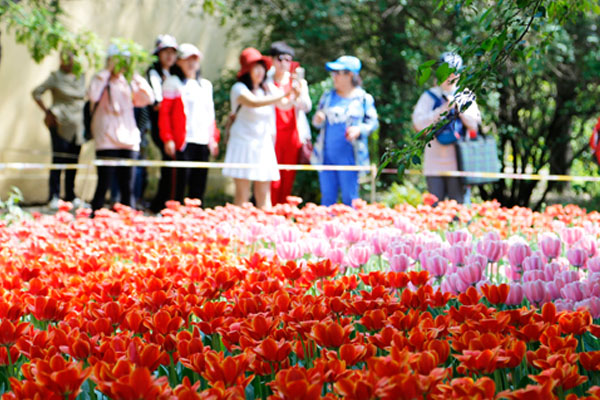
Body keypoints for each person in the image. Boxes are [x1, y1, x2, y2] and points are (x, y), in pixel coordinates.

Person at [222, 47, 298, 209]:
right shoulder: (239, 89)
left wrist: (295, 95)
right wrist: (285, 94)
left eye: (261, 67)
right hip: (242, 143)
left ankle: (264, 228)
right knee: (242, 195)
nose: (259, 71)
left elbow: (284, 105)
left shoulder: (267, 88)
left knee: (264, 194)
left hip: (262, 144)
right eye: (254, 67)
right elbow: (254, 102)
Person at [88, 44, 154, 214]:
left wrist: (135, 75)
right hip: (106, 140)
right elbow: (93, 95)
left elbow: (148, 98)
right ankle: (95, 218)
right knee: (104, 183)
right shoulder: (101, 79)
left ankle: (128, 221)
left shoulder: (129, 82)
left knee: (128, 186)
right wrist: (107, 72)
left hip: (129, 140)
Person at [412, 52, 481, 205]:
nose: (450, 76)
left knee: (459, 207)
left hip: (460, 162)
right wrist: (442, 110)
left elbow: (474, 123)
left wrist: (459, 108)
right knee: (435, 208)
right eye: (446, 71)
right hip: (434, 164)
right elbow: (418, 124)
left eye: (454, 72)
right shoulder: (429, 96)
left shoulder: (465, 95)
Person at [312, 55, 378, 207]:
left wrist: (359, 129)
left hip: (350, 158)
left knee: (350, 198)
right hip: (326, 157)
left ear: (350, 75)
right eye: (333, 73)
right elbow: (317, 123)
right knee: (327, 198)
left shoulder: (363, 98)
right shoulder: (328, 97)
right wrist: (318, 119)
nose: (333, 77)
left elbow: (373, 122)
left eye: (337, 72)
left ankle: (351, 230)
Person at [159, 43, 218, 205]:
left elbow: (210, 114)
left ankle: (195, 217)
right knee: (178, 182)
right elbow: (164, 114)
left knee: (199, 183)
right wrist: (168, 138)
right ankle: (174, 214)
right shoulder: (173, 82)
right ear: (179, 61)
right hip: (182, 142)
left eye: (195, 59)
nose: (191, 63)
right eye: (187, 59)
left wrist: (213, 138)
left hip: (202, 140)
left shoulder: (205, 85)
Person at [32, 52, 86, 209]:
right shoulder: (55, 76)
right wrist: (48, 112)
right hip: (60, 124)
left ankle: (70, 195)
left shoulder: (80, 77)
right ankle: (53, 196)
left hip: (78, 126)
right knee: (59, 161)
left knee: (73, 162)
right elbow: (37, 93)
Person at [265, 41, 312, 205]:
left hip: (292, 134)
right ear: (272, 59)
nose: (284, 63)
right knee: (271, 176)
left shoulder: (297, 82)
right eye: (280, 58)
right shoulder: (266, 81)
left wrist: (298, 94)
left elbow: (306, 107)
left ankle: (285, 211)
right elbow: (276, 103)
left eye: (288, 59)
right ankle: (269, 210)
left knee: (288, 175)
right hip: (272, 134)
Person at [147, 34, 178, 213]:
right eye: (165, 52)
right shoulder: (153, 73)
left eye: (172, 52)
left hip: (175, 126)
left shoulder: (175, 74)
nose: (169, 56)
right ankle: (161, 204)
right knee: (169, 163)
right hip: (160, 126)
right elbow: (158, 102)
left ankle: (166, 202)